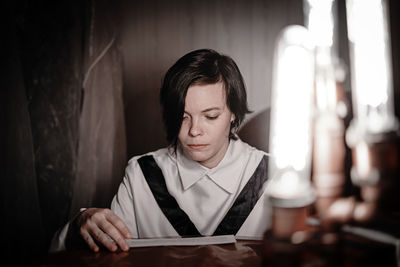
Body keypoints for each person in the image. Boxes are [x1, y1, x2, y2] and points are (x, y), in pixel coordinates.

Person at [50, 49, 271, 253]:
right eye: (182, 117)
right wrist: (80, 224)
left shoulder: (274, 177)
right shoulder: (142, 174)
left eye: (210, 116)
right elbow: (103, 253)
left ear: (233, 113)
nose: (194, 130)